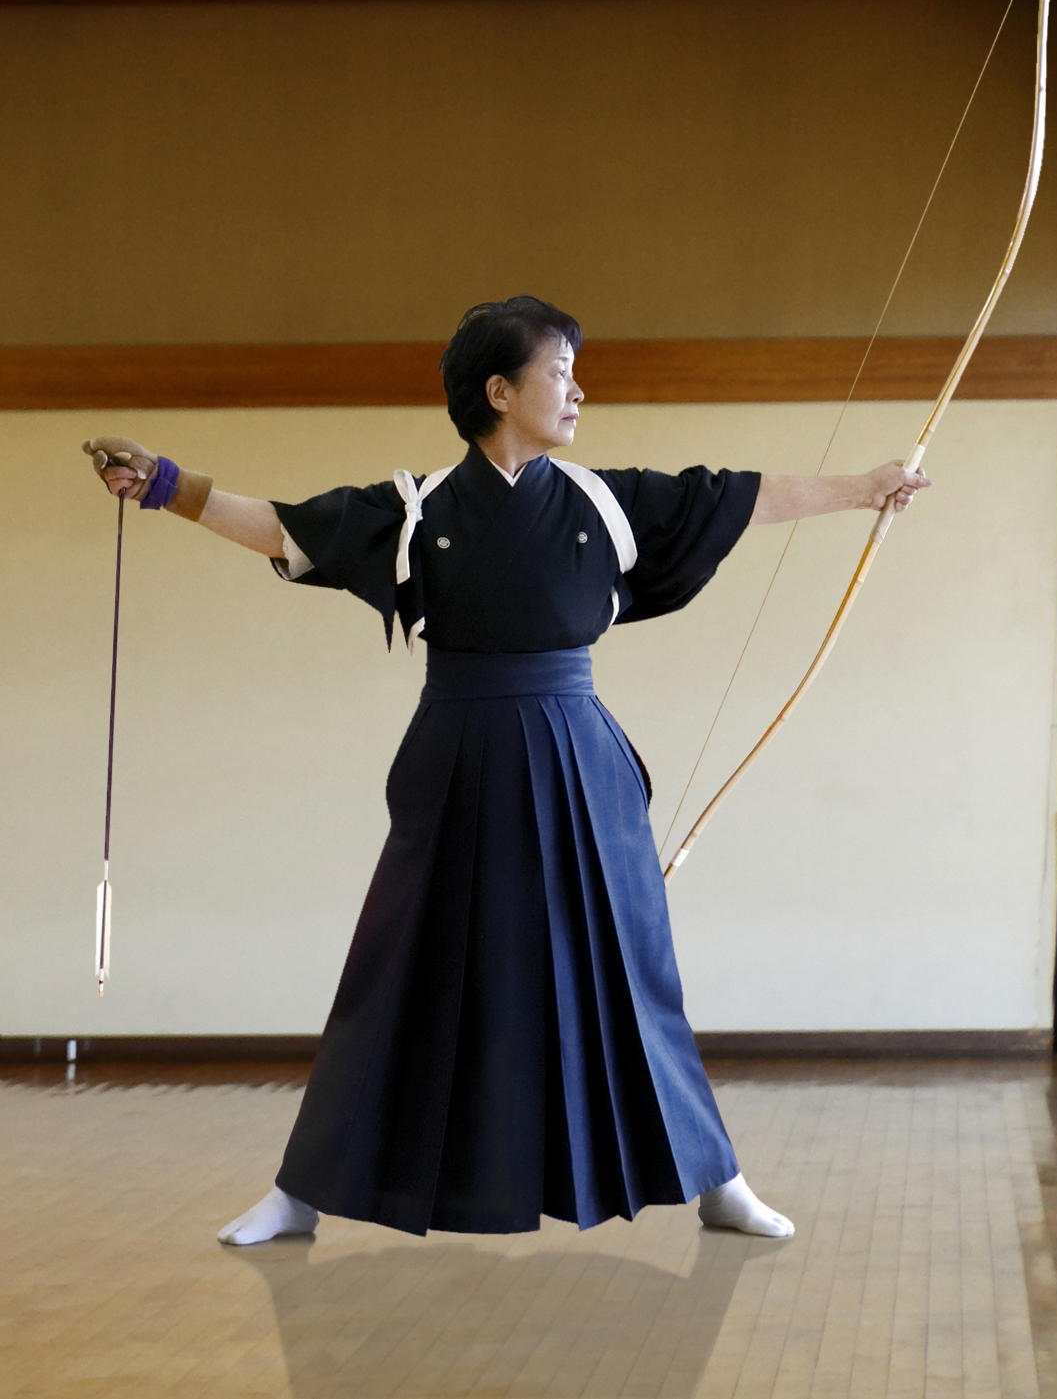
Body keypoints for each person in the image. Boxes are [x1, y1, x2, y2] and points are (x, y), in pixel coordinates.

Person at [84, 296, 929, 1247]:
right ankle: (300, 1191)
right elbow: (284, 528)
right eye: (558, 372)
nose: (577, 390)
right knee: (395, 967)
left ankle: (717, 1177)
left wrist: (864, 488)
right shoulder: (415, 509)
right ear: (498, 390)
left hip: (580, 755)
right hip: (457, 749)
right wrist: (163, 484)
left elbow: (732, 496)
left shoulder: (604, 500)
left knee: (632, 967)